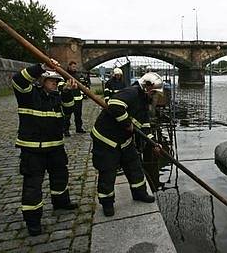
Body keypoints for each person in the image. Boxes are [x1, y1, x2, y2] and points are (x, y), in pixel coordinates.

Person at [12, 60, 78, 236]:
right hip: (33, 149)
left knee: (60, 177)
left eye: (57, 82)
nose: (55, 83)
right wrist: (40, 67)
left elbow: (69, 110)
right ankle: (33, 220)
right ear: (41, 81)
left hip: (55, 146)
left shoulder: (57, 96)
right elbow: (18, 79)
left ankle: (61, 202)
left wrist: (66, 93)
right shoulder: (28, 94)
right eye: (52, 81)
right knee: (33, 185)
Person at [90, 72, 163, 216]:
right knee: (108, 171)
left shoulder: (143, 101)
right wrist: (127, 122)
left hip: (124, 140)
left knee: (134, 166)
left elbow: (144, 124)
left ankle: (139, 193)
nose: (155, 96)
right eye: (154, 92)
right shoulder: (132, 92)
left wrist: (153, 142)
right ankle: (107, 203)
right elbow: (115, 105)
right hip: (107, 139)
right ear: (147, 87)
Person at [63, 61, 87, 136]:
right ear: (69, 66)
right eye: (73, 66)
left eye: (75, 67)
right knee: (67, 115)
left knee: (78, 115)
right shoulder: (65, 75)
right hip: (70, 99)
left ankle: (79, 128)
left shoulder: (77, 75)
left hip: (78, 99)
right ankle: (66, 130)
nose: (74, 68)